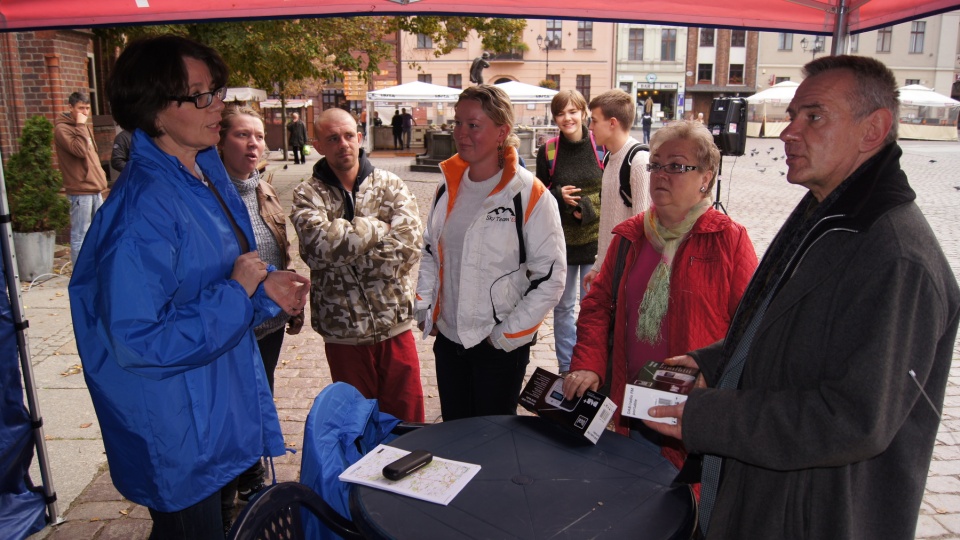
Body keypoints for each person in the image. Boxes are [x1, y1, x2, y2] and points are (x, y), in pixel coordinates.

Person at [642, 56, 960, 539]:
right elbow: (785, 329)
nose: (788, 132)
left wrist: (706, 416)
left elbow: (855, 419)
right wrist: (713, 360)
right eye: (792, 116)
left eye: (813, 116)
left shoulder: (896, 255)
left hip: (814, 514)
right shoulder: (829, 211)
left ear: (873, 129)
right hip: (772, 494)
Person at [69, 35, 310, 539]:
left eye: (216, 90)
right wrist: (239, 292)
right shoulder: (143, 210)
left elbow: (207, 284)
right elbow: (140, 340)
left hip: (207, 409)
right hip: (177, 428)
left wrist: (262, 292)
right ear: (155, 110)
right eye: (199, 95)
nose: (216, 103)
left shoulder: (198, 175)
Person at [562, 120, 758, 487]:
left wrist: (712, 377)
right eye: (655, 165)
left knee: (679, 510)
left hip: (687, 416)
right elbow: (596, 306)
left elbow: (751, 330)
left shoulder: (727, 239)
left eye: (677, 166)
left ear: (706, 176)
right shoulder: (631, 235)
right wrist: (589, 364)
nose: (661, 175)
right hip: (628, 405)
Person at [415, 84, 566, 420]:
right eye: (457, 123)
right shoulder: (446, 187)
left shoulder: (530, 194)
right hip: (450, 343)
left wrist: (503, 337)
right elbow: (430, 251)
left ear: (502, 132)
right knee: (456, 436)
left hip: (499, 347)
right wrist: (426, 309)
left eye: (473, 125)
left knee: (491, 442)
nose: (461, 134)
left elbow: (551, 278)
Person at [290, 108, 426, 423]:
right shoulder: (307, 194)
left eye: (349, 136)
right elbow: (317, 249)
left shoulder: (391, 185)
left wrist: (344, 249)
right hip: (343, 334)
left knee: (408, 424)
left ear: (360, 137)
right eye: (332, 138)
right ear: (318, 145)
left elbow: (408, 249)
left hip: (394, 326)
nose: (343, 144)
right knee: (356, 428)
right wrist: (380, 228)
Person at [218, 106, 305, 507]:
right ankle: (228, 481)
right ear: (219, 141)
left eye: (257, 136)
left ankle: (250, 471)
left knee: (260, 395)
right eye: (241, 135)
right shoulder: (209, 195)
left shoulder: (263, 188)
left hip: (267, 322)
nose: (253, 143)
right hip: (231, 325)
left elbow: (281, 249)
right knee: (230, 407)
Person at [534, 89, 603, 374]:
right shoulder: (548, 150)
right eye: (561, 113)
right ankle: (566, 365)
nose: (567, 118)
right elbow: (537, 193)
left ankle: (588, 364)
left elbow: (612, 190)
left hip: (594, 240)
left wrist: (587, 206)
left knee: (591, 307)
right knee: (562, 307)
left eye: (573, 111)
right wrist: (558, 194)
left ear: (584, 112)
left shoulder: (601, 146)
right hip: (560, 241)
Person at [583, 89, 650, 291]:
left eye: (594, 121)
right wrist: (599, 266)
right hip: (612, 272)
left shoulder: (638, 162)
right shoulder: (610, 158)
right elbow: (607, 224)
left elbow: (645, 230)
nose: (591, 127)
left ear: (612, 123)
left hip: (629, 276)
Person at [54, 91, 108, 266]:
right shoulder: (63, 129)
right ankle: (80, 275)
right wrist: (80, 126)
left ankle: (96, 270)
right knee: (80, 235)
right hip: (80, 190)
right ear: (70, 107)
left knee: (100, 232)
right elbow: (79, 150)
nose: (84, 112)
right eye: (80, 108)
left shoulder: (81, 127)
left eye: (87, 108)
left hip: (95, 188)